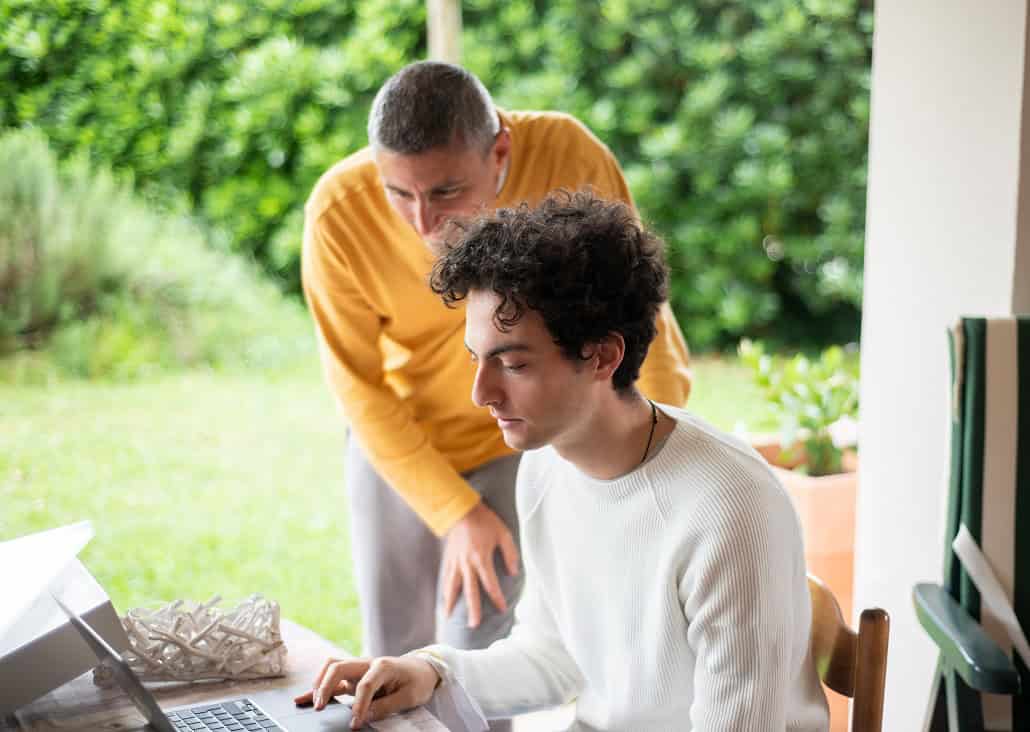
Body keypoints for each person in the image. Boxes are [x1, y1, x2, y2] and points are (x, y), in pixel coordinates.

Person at [296, 191, 830, 731]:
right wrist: (429, 671)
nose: (481, 393)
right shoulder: (547, 465)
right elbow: (555, 655)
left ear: (602, 356)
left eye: (514, 364)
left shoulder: (729, 509)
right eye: (477, 360)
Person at [300, 58, 693, 726]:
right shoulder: (338, 211)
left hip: (523, 432)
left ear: (500, 152)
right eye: (399, 194)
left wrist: (656, 460)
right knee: (390, 661)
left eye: (446, 192)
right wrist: (456, 512)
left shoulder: (568, 155)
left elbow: (637, 320)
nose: (422, 222)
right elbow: (358, 387)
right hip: (401, 440)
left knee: (471, 657)